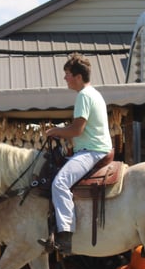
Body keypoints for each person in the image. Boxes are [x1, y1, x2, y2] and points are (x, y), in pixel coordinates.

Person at [39, 52, 112, 255]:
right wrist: (61, 130)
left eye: (68, 74)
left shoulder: (83, 96)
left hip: (92, 151)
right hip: (96, 149)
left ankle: (65, 236)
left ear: (78, 77)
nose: (65, 78)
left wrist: (56, 131)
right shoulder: (94, 94)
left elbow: (77, 130)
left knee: (59, 183)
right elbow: (80, 128)